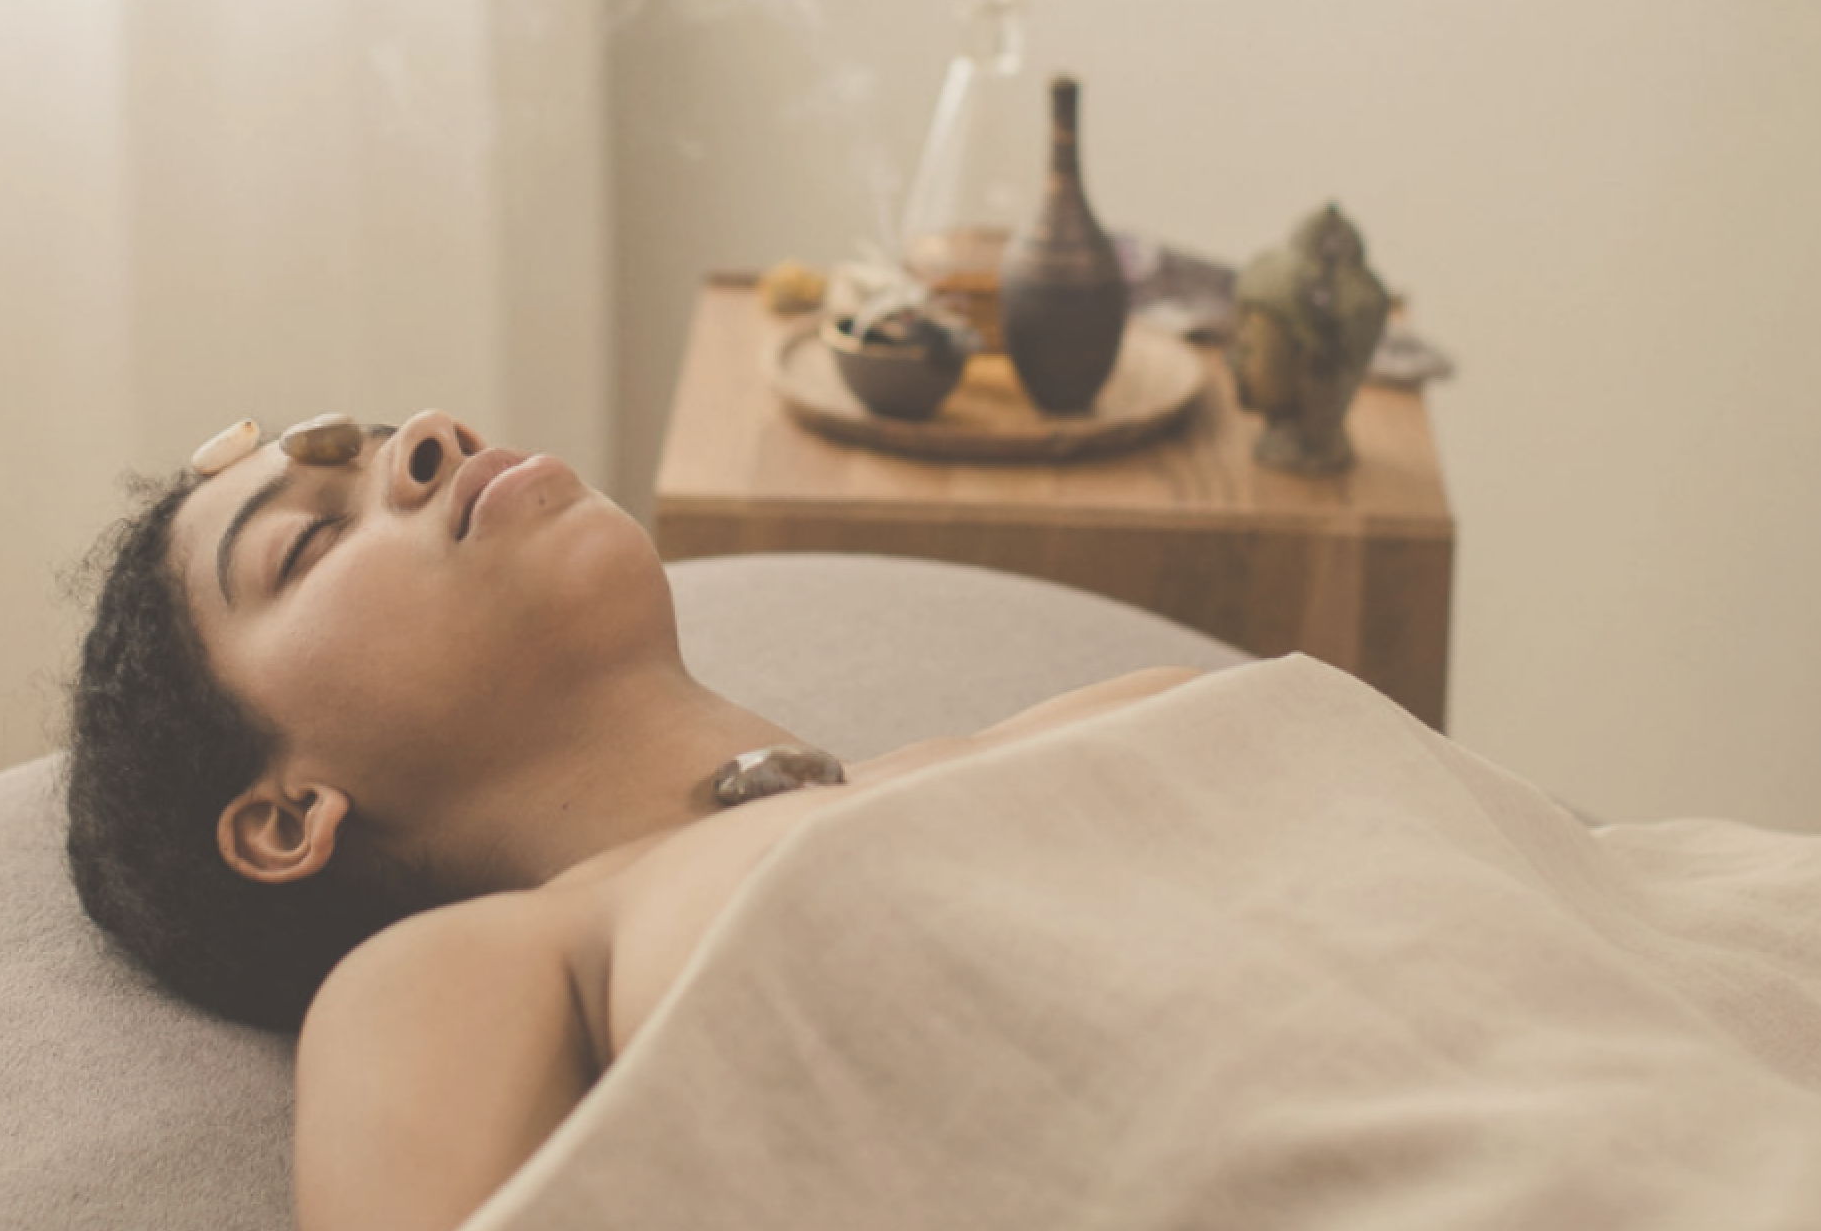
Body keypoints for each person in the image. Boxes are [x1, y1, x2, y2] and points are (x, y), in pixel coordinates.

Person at [65, 409, 1197, 1231]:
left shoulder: (1121, 715)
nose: (430, 436)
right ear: (283, 816)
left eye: (382, 439)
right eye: (308, 540)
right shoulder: (464, 973)